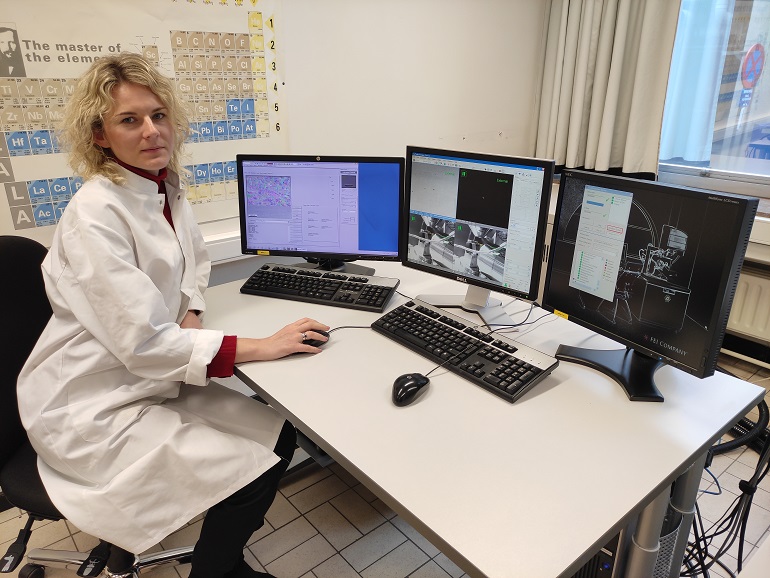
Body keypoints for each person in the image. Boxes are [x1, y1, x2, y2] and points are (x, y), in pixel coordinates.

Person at [16, 52, 329, 578]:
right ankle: (218, 571)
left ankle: (223, 561)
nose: (151, 131)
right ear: (99, 135)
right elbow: (143, 343)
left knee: (278, 436)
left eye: (158, 115)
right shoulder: (96, 213)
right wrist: (262, 346)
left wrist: (192, 312)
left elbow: (193, 265)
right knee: (248, 471)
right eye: (129, 120)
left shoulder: (162, 188)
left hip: (145, 378)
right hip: (91, 403)